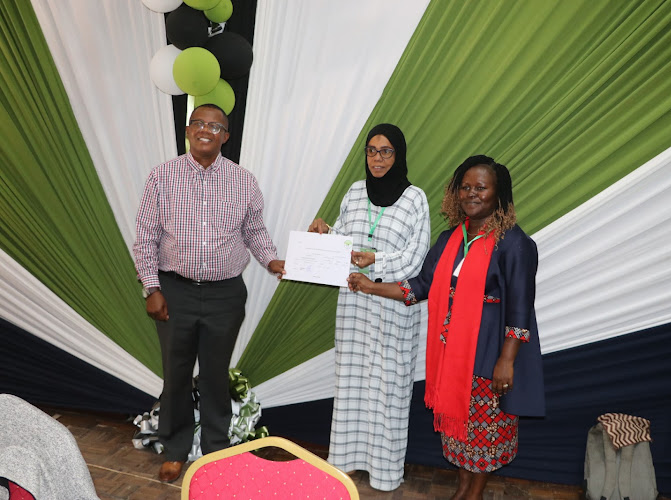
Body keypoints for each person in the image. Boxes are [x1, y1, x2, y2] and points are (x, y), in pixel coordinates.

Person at [348, 155, 545, 500]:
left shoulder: (514, 244)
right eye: (465, 187)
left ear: (498, 194)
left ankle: (473, 494)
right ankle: (464, 488)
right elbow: (419, 286)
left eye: (481, 188)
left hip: (488, 357)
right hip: (451, 355)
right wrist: (370, 285)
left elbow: (520, 309)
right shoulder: (450, 239)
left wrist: (507, 360)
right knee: (461, 430)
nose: (471, 194)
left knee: (484, 433)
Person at [133, 104, 285, 483]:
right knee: (177, 374)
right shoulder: (161, 177)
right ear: (188, 130)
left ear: (225, 137)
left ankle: (216, 450)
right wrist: (151, 288)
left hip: (225, 295)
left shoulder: (243, 181)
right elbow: (146, 238)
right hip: (174, 292)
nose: (206, 130)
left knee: (216, 375)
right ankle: (176, 449)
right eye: (199, 123)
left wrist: (273, 261)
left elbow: (254, 232)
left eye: (215, 126)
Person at [308, 123, 430, 491]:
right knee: (352, 384)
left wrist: (372, 262)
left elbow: (415, 258)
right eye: (372, 151)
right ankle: (345, 463)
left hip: (392, 308)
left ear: (399, 155)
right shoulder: (355, 192)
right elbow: (344, 241)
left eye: (386, 151)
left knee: (388, 389)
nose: (377, 158)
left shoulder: (414, 199)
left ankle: (385, 473)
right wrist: (324, 233)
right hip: (355, 306)